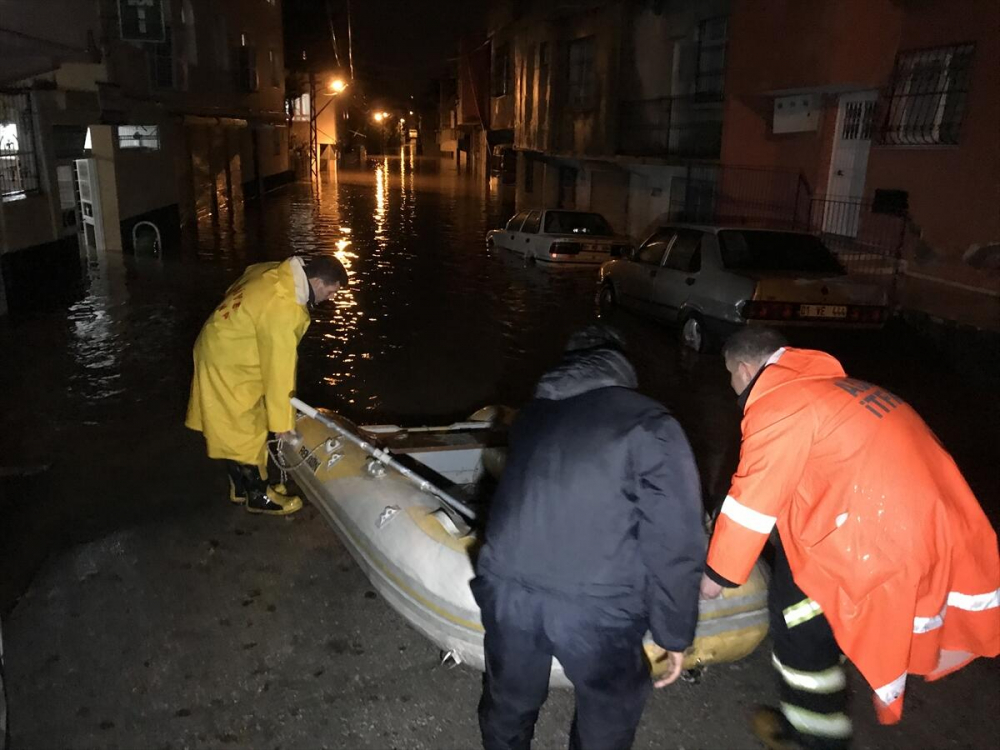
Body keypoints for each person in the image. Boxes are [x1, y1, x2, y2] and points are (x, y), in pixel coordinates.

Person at [700, 327, 999, 749]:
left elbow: (753, 501)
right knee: (820, 617)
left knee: (798, 624)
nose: (733, 385)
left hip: (878, 539)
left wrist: (717, 577)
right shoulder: (837, 389)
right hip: (921, 523)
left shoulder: (780, 404)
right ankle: (811, 714)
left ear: (745, 368)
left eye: (730, 374)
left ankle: (816, 736)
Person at [473, 324, 706, 750]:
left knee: (509, 703)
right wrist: (674, 633)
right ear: (621, 365)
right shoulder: (650, 424)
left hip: (507, 589)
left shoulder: (533, 415)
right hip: (595, 608)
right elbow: (676, 539)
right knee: (607, 713)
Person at [186, 254, 347, 515]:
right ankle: (257, 495)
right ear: (315, 281)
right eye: (330, 292)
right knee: (244, 428)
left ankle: (240, 487)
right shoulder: (285, 310)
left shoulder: (274, 271)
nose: (331, 299)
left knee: (233, 423)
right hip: (227, 360)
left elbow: (241, 281)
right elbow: (279, 369)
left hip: (222, 340)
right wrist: (282, 424)